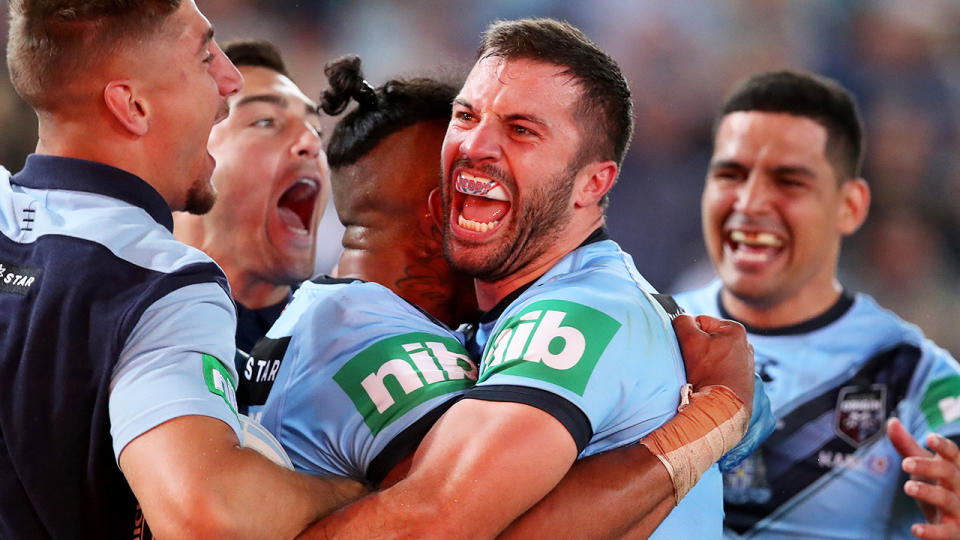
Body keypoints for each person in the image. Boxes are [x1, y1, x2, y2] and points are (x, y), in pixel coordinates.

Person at [302, 18, 757, 539]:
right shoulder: (524, 307)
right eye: (466, 115)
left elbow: (427, 525)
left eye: (521, 130)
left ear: (593, 183)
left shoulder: (581, 314)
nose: (476, 145)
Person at [0, 3, 360, 539]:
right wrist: (348, 490)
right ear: (133, 106)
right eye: (203, 56)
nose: (228, 78)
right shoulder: (162, 286)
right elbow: (209, 516)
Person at [675, 70, 960, 539]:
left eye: (788, 181)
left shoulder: (911, 372)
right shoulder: (653, 331)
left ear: (850, 205)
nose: (749, 202)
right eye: (730, 174)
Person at [173, 39, 328, 354]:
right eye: (266, 121)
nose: (310, 143)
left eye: (316, 129)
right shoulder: (117, 321)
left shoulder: (341, 344)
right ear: (187, 150)